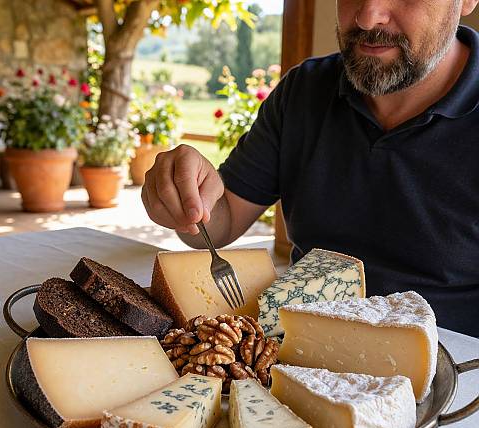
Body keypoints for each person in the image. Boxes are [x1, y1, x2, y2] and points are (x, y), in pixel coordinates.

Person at [142, 0, 479, 337]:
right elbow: (223, 219)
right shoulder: (304, 90)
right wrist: (187, 195)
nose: (367, 16)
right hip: (300, 355)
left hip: (455, 373)